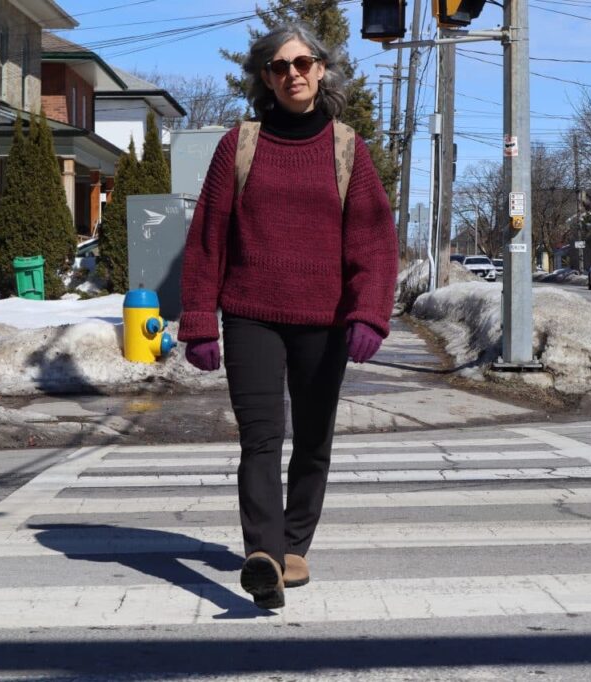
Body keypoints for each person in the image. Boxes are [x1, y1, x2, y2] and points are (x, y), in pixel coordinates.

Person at [177, 23, 398, 610]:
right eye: (280, 66)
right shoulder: (239, 145)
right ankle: (265, 556)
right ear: (265, 78)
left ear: (321, 70)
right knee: (260, 437)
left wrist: (369, 313)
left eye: (303, 63)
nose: (293, 73)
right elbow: (207, 239)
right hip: (250, 314)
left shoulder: (347, 148)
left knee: (313, 438)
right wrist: (199, 319)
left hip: (324, 322)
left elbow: (374, 239)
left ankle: (295, 543)